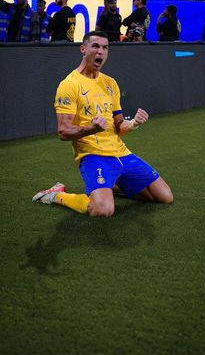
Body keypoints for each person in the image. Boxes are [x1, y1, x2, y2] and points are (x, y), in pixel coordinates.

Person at [32, 30, 173, 216]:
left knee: (165, 197)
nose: (101, 52)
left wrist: (133, 124)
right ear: (83, 49)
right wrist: (92, 128)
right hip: (93, 155)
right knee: (103, 210)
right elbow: (63, 132)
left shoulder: (110, 83)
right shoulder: (69, 85)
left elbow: (119, 126)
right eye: (95, 46)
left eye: (105, 48)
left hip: (121, 153)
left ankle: (109, 186)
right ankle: (57, 195)